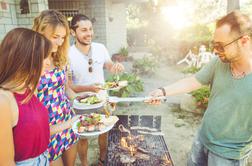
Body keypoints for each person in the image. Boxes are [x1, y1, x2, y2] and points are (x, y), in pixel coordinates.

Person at [148, 10, 252, 166]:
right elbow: (193, 81)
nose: (215, 50)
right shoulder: (218, 62)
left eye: (220, 46)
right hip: (202, 140)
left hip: (229, 156)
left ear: (244, 41)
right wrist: (162, 91)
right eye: (214, 44)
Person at [68, 14, 124, 166]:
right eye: (84, 30)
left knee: (104, 131)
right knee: (82, 135)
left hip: (102, 99)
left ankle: (102, 160)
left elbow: (109, 66)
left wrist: (116, 67)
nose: (89, 33)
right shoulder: (68, 54)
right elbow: (69, 85)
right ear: (73, 32)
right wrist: (89, 88)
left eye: (91, 29)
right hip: (80, 103)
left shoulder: (100, 48)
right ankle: (85, 163)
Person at [32, 10, 79, 166]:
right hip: (46, 128)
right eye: (55, 37)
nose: (59, 42)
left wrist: (83, 102)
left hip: (67, 119)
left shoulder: (60, 58)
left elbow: (65, 89)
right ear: (40, 33)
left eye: (63, 37)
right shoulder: (30, 62)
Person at [0, 28, 51, 165]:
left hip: (44, 158)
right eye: (44, 57)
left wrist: (73, 122)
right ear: (25, 58)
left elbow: (35, 132)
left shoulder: (27, 90)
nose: (48, 63)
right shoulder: (4, 101)